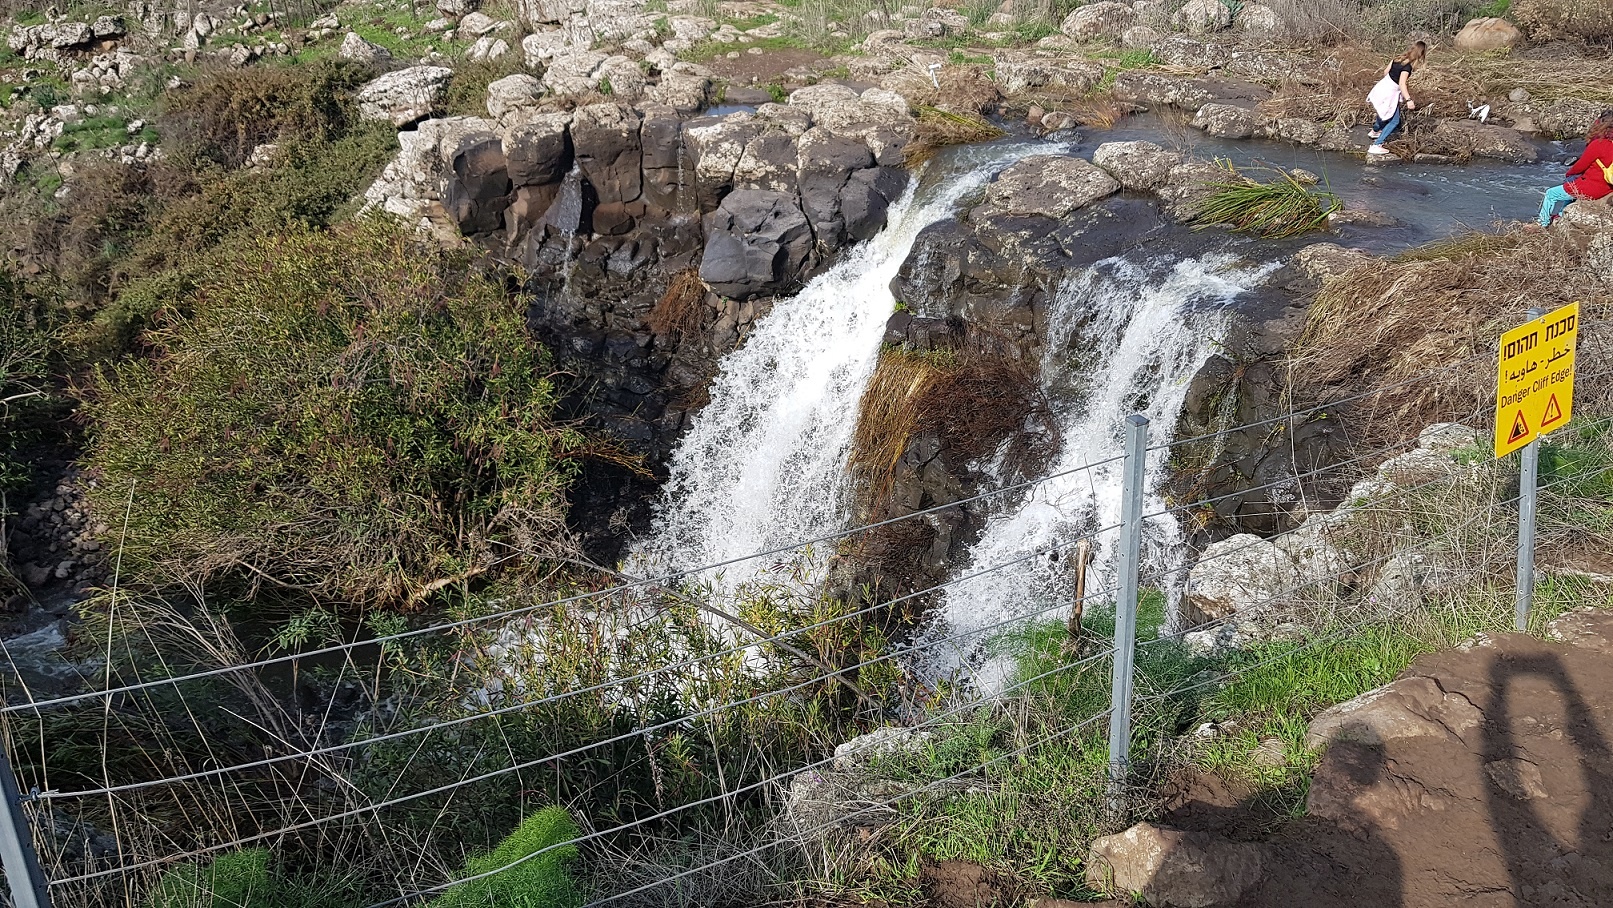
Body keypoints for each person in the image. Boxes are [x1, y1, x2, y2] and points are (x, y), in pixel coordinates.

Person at [1538, 109, 1613, 227]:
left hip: (1592, 188)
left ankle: (1542, 224)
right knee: (1572, 187)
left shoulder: (1599, 144)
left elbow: (1581, 166)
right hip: (1607, 187)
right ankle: (1561, 215)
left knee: (1551, 194)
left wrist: (1569, 173)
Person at [1366, 42, 1428, 157]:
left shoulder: (1397, 58)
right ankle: (1377, 145)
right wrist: (1409, 100)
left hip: (1382, 87)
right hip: (1390, 93)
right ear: (1421, 54)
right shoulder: (1407, 67)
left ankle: (1375, 131)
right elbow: (1402, 84)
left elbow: (1385, 72)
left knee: (1384, 112)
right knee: (1394, 121)